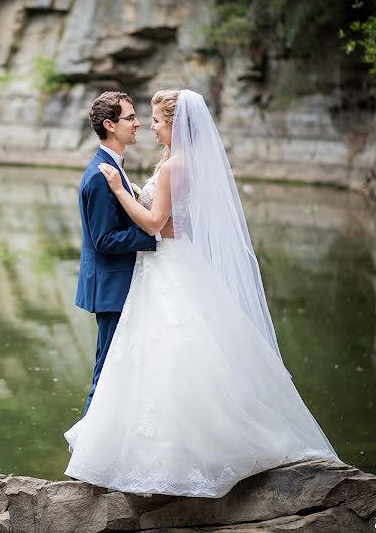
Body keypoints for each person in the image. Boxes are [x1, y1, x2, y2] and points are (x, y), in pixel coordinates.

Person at [64, 89, 340, 497]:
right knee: (145, 362)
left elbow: (157, 224)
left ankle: (133, 456)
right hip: (148, 273)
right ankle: (109, 453)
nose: (147, 124)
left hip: (164, 268)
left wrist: (126, 195)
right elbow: (122, 235)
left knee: (166, 359)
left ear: (174, 124)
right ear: (111, 125)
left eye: (154, 119)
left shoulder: (172, 166)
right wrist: (152, 225)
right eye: (138, 118)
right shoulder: (141, 167)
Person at [75, 91, 160, 415]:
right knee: (107, 372)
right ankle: (84, 453)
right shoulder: (100, 176)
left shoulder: (114, 167)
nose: (138, 124)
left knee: (121, 370)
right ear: (110, 125)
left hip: (122, 284)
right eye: (130, 118)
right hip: (111, 288)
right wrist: (154, 237)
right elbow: (105, 240)